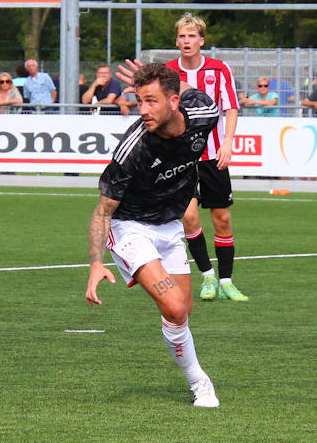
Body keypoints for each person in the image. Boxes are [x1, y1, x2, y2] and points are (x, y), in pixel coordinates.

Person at [86, 63, 221, 408]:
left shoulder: (204, 113)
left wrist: (163, 74)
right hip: (129, 227)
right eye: (139, 101)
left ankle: (176, 338)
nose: (142, 110)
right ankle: (200, 383)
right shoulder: (133, 149)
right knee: (174, 307)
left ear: (174, 101)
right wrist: (96, 264)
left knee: (182, 312)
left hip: (169, 225)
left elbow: (190, 90)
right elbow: (103, 211)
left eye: (151, 101)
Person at [164, 13, 247, 302]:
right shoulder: (168, 72)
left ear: (201, 40)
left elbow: (231, 108)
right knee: (188, 216)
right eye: (182, 36)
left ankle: (227, 281)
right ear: (177, 41)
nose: (187, 41)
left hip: (213, 155)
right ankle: (207, 276)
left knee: (222, 219)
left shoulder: (219, 69)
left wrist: (228, 142)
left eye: (192, 36)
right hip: (182, 158)